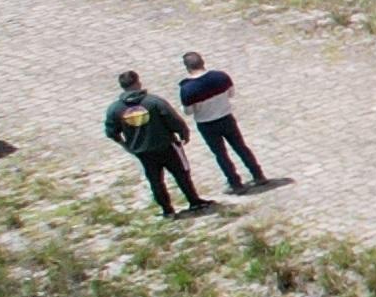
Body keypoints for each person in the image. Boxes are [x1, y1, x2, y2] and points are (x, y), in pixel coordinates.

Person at [101, 72, 200, 216]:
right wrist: (183, 133)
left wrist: (126, 146)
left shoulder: (115, 109)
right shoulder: (154, 102)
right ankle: (194, 201)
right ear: (137, 83)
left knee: (155, 181)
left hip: (143, 152)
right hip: (166, 146)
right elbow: (173, 119)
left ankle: (167, 210)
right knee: (181, 174)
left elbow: (111, 132)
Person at [172, 52, 264, 192]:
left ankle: (235, 183)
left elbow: (188, 111)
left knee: (220, 154)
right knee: (241, 147)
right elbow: (231, 94)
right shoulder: (221, 76)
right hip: (226, 117)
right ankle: (258, 175)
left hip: (207, 124)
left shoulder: (187, 89)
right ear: (203, 62)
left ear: (187, 67)